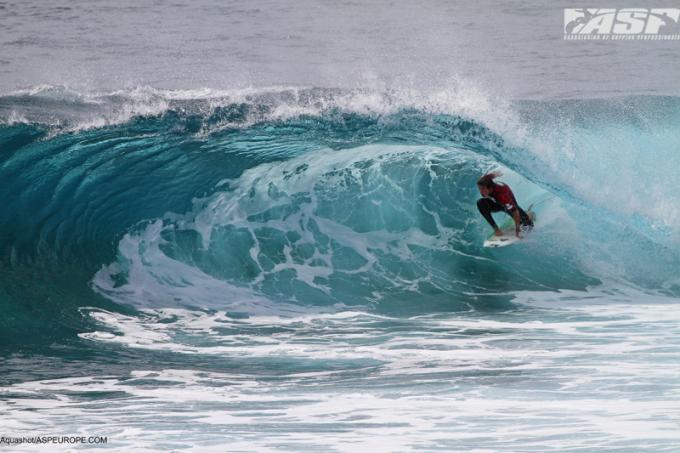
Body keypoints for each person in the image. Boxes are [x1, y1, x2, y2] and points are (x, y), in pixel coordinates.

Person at [476, 171, 533, 238]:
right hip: (496, 202)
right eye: (479, 189)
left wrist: (517, 230)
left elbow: (515, 211)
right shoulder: (484, 181)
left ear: (490, 187)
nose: (481, 192)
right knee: (480, 203)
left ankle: (528, 216)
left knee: (528, 225)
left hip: (507, 203)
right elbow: (489, 176)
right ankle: (496, 229)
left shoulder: (502, 196)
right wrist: (496, 174)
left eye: (482, 189)